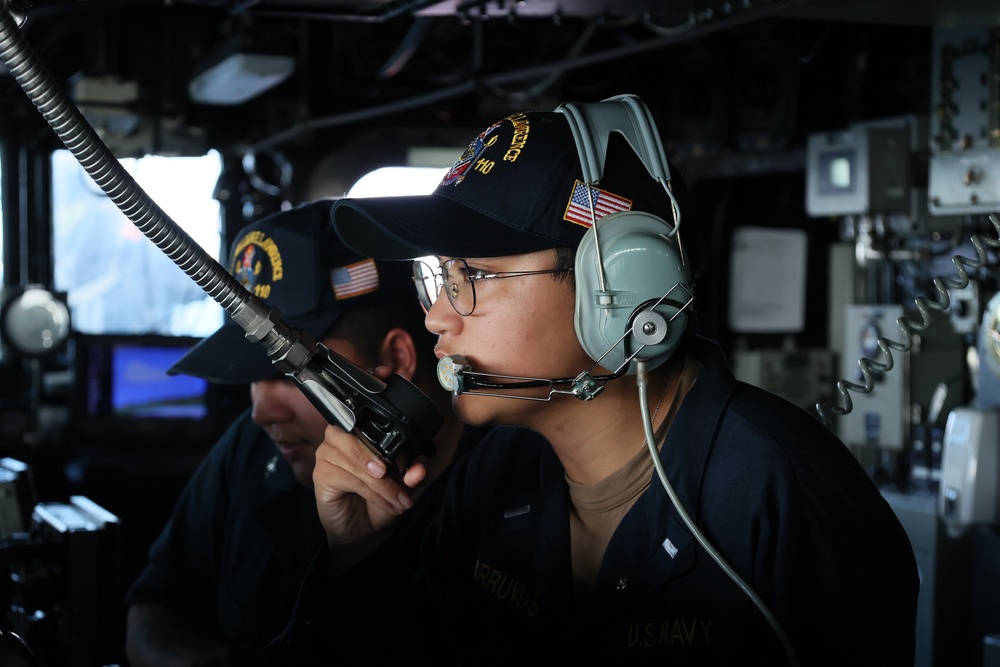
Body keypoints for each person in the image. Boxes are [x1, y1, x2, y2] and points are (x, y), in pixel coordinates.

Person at [307, 94, 920, 665]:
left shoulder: (789, 500)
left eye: (472, 274)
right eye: (438, 278)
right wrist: (353, 555)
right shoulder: (495, 473)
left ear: (621, 291)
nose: (437, 315)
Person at [123, 199, 475, 666]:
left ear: (396, 360)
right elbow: (151, 612)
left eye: (287, 371)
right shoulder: (253, 450)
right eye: (252, 375)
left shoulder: (504, 483)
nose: (260, 411)